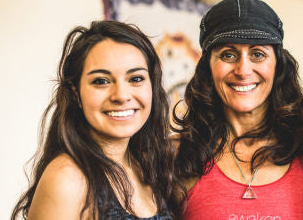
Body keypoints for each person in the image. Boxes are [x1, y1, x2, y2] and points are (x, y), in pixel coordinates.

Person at [174, 0, 303, 219]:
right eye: (228, 54)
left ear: (278, 64)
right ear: (208, 67)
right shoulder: (177, 155)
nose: (243, 70)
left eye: (258, 54)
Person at [11, 21, 179, 219]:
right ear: (76, 93)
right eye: (101, 81)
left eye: (136, 79)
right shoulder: (67, 179)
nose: (121, 95)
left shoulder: (147, 165)